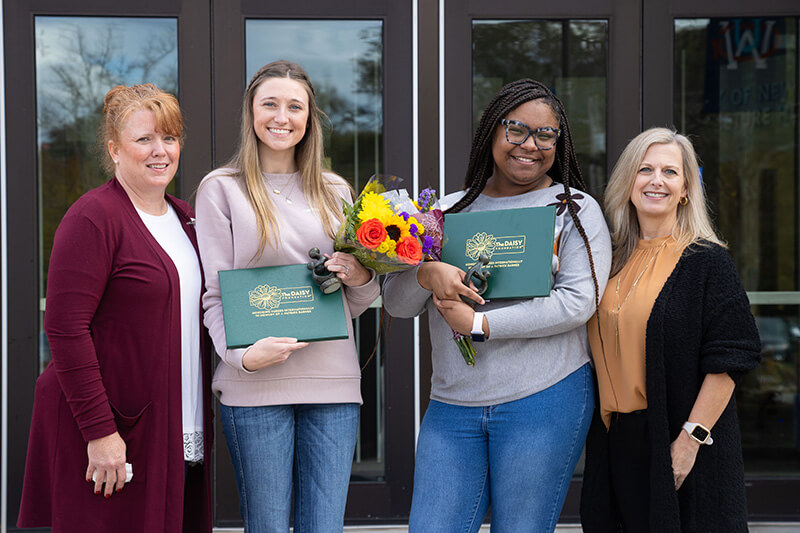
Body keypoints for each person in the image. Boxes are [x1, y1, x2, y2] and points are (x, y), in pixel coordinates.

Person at [382, 79, 612, 531]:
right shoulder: (445, 213)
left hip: (543, 399)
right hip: (452, 405)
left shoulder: (573, 210)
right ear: (491, 132)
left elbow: (578, 303)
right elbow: (396, 304)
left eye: (545, 134)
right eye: (516, 129)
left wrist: (480, 324)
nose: (530, 145)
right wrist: (426, 274)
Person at [17, 84, 213, 532]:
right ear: (114, 149)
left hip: (176, 428)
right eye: (144, 139)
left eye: (169, 137)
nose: (160, 151)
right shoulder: (94, 217)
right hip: (114, 432)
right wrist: (101, 434)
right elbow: (65, 328)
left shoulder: (186, 219)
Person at [195, 60, 379, 532]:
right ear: (251, 113)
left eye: (295, 106)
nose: (282, 116)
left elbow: (355, 301)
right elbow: (214, 296)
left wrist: (359, 277)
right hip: (255, 387)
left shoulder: (336, 191)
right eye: (270, 104)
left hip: (333, 386)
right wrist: (242, 357)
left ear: (309, 118)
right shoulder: (221, 189)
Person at [580, 128, 761, 532]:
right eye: (645, 169)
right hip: (615, 442)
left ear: (685, 189)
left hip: (677, 439)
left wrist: (689, 441)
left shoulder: (706, 261)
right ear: (628, 184)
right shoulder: (606, 259)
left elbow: (732, 356)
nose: (656, 180)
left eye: (670, 172)